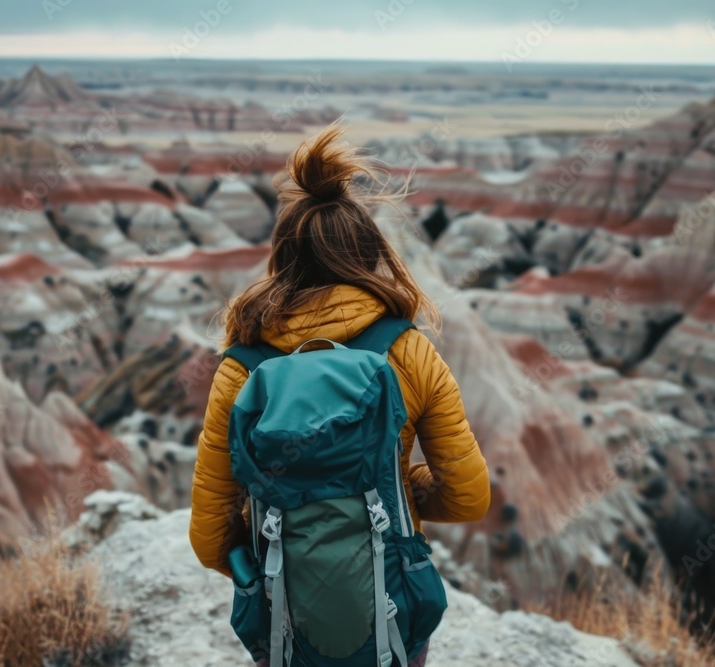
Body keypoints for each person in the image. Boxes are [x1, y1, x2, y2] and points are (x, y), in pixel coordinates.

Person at [189, 123, 491, 667]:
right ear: (368, 255)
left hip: (284, 619)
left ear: (283, 256)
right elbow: (468, 496)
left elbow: (210, 537)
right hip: (392, 607)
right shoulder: (410, 352)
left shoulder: (241, 368)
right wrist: (397, 486)